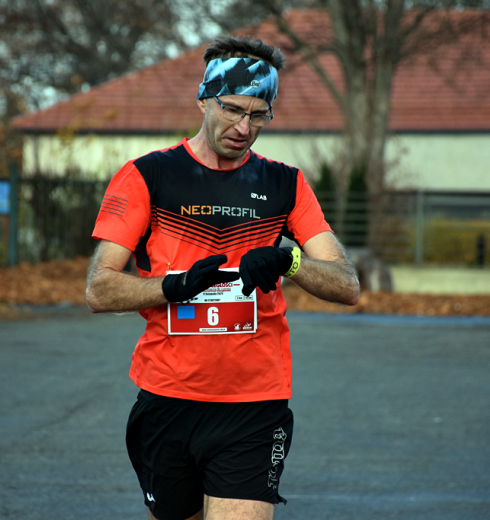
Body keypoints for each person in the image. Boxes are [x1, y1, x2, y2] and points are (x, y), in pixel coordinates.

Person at [85, 35, 360, 520]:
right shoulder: (148, 176)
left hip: (255, 403)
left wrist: (289, 261)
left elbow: (347, 284)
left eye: (259, 115)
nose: (243, 127)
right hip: (167, 399)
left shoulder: (285, 183)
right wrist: (171, 286)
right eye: (232, 109)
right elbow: (99, 288)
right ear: (203, 100)